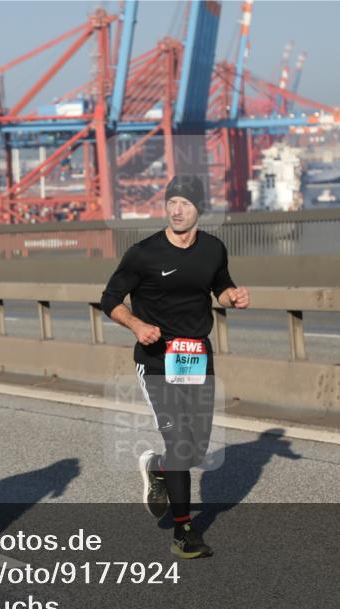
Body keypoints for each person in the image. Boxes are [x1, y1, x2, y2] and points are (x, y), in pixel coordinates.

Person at [100, 175, 250, 559]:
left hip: (197, 357)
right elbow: (110, 299)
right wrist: (136, 325)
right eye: (171, 203)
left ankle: (157, 467)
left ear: (200, 209)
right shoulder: (143, 254)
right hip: (156, 360)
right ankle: (184, 532)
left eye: (184, 203)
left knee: (196, 449)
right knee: (181, 444)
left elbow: (220, 286)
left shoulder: (213, 249)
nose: (176, 210)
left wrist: (232, 296)